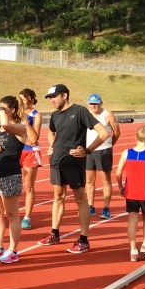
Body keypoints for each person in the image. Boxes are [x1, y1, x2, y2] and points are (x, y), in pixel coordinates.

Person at [38, 84, 110, 254]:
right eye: (50, 98)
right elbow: (51, 133)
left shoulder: (79, 111)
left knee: (80, 200)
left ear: (64, 95)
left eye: (54, 97)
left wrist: (87, 151)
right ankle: (54, 233)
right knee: (58, 197)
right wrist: (52, 146)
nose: (52, 101)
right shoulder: (55, 116)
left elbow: (104, 133)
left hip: (74, 162)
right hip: (56, 161)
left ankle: (84, 240)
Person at [0, 96, 36, 265]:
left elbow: (7, 124)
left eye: (3, 109)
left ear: (12, 110)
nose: (0, 112)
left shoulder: (20, 128)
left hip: (10, 175)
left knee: (12, 214)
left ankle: (13, 250)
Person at [116, 126, 145, 262]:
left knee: (132, 221)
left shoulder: (126, 153)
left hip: (131, 193)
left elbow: (118, 173)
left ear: (135, 137)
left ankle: (133, 250)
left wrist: (120, 188)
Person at [85, 93, 120, 220]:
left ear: (101, 103)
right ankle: (90, 206)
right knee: (89, 180)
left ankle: (106, 208)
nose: (93, 105)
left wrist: (109, 145)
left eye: (95, 103)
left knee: (105, 180)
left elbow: (117, 132)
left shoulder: (107, 114)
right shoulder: (86, 114)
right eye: (91, 103)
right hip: (89, 150)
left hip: (104, 150)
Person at [19, 89, 42, 230]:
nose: (21, 101)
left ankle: (27, 217)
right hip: (15, 150)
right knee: (13, 183)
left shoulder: (36, 115)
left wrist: (26, 124)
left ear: (30, 99)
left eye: (23, 98)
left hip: (29, 152)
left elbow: (34, 138)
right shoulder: (16, 112)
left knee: (28, 186)